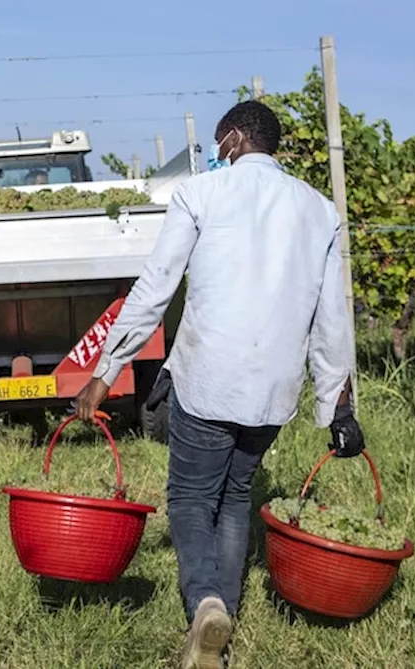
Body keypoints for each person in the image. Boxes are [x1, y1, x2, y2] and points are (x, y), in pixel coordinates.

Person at [73, 100, 364, 669]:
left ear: (232, 139)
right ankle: (220, 633)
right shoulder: (320, 211)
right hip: (273, 391)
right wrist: (336, 407)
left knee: (189, 499)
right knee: (234, 500)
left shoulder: (201, 194)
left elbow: (154, 289)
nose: (215, 154)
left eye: (217, 144)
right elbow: (333, 319)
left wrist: (106, 373)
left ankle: (205, 604)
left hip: (208, 378)